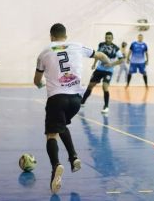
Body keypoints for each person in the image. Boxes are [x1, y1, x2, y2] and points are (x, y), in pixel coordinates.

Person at [34, 23, 110, 194]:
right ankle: (73, 157)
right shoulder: (77, 46)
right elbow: (101, 55)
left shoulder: (44, 52)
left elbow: (37, 80)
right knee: (61, 125)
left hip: (57, 98)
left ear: (51, 36)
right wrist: (108, 63)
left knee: (51, 134)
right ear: (65, 36)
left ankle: (56, 166)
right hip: (76, 99)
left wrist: (41, 85)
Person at [80, 32, 124, 114]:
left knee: (105, 87)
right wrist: (94, 64)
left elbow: (121, 60)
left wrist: (111, 64)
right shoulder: (101, 45)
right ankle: (82, 102)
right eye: (106, 37)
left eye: (109, 38)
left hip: (108, 71)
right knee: (90, 86)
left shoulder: (116, 48)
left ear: (112, 38)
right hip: (99, 69)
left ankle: (106, 106)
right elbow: (98, 55)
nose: (108, 39)